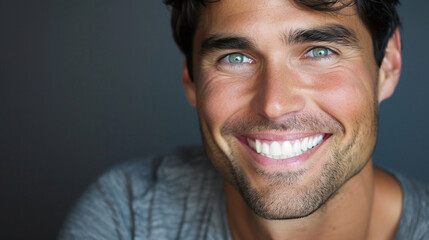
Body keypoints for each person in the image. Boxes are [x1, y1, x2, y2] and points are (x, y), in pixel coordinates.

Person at [58, 0, 429, 239]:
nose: (274, 105)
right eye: (235, 58)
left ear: (388, 64)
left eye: (319, 51)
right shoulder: (127, 216)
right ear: (191, 78)